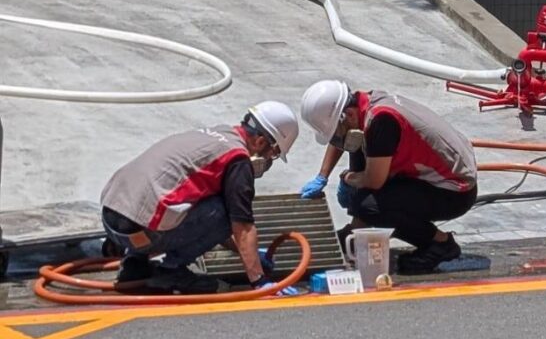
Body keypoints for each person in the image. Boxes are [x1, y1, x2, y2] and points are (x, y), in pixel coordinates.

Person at [100, 102, 301, 295]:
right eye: (272, 153)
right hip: (141, 234)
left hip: (111, 222)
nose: (268, 159)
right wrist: (260, 281)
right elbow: (241, 225)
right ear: (260, 141)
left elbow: (204, 224)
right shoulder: (237, 160)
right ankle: (171, 270)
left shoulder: (215, 135)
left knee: (176, 199)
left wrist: (248, 253)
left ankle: (135, 264)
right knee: (226, 211)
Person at [299, 80, 478, 274]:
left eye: (335, 132)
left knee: (370, 206)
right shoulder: (360, 105)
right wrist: (322, 176)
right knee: (356, 143)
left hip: (454, 191)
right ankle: (357, 228)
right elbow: (343, 137)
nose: (336, 139)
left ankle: (441, 244)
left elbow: (374, 181)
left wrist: (348, 179)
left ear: (347, 114)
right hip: (432, 178)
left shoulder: (382, 121)